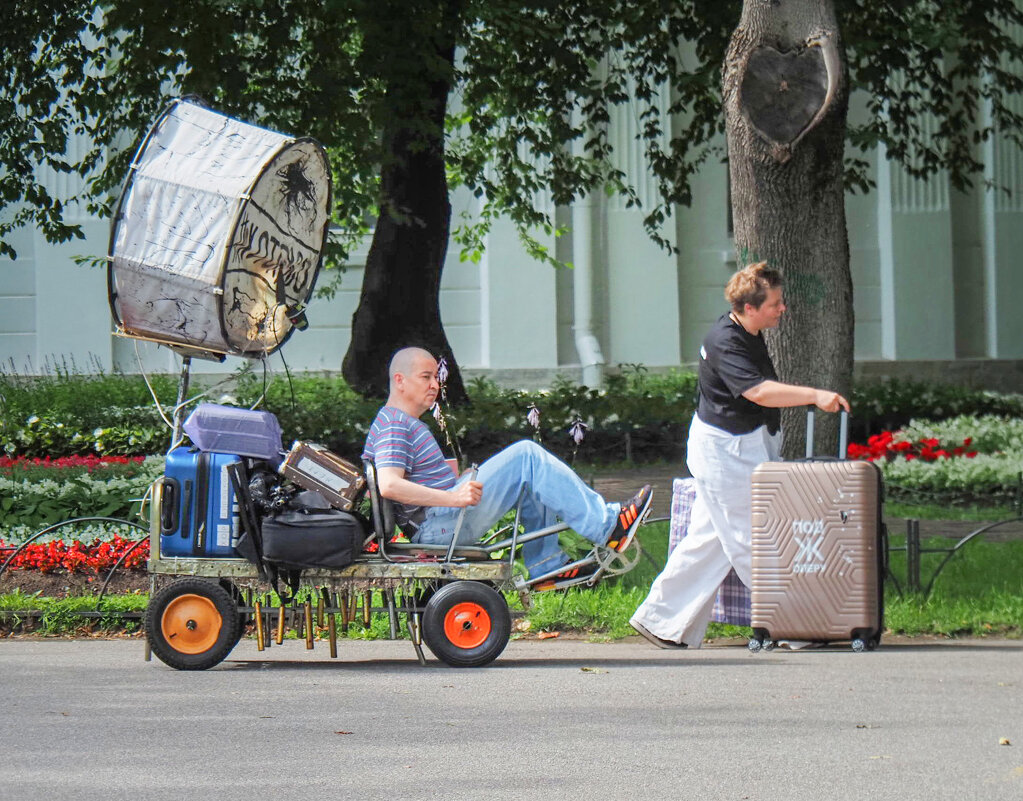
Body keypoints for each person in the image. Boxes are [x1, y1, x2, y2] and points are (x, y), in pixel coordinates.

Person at [630, 262, 850, 648]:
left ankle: (661, 622)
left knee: (709, 540)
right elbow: (760, 392)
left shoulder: (744, 331)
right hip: (725, 455)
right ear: (750, 307)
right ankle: (794, 627)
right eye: (775, 304)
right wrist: (815, 396)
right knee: (756, 537)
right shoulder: (725, 341)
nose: (782, 309)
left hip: (739, 446)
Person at [362, 347, 653, 588]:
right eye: (425, 377)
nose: (435, 384)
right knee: (526, 456)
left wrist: (457, 483)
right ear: (399, 380)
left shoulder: (399, 423)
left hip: (442, 519)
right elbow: (389, 485)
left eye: (435, 377)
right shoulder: (395, 426)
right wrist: (452, 497)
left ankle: (545, 566)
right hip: (439, 527)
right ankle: (608, 525)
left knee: (532, 479)